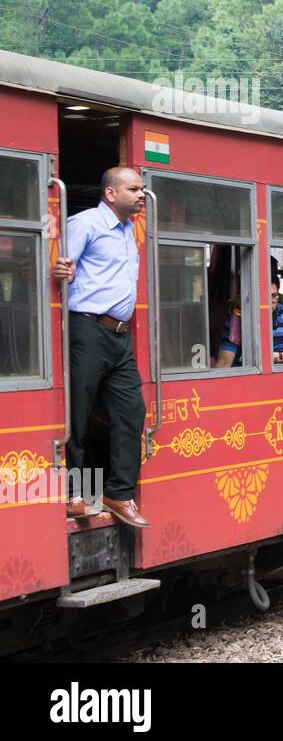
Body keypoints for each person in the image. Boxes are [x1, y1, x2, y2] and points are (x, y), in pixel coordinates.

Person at [52, 167, 149, 528]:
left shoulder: (127, 231)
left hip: (120, 336)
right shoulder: (86, 223)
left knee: (132, 411)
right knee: (79, 410)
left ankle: (118, 493)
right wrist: (61, 270)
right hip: (88, 328)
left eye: (142, 189)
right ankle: (75, 493)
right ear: (111, 193)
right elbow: (62, 265)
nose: (141, 195)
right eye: (134, 189)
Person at [220, 268, 283, 366]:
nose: (268, 301)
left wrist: (274, 356)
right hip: (244, 370)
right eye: (262, 296)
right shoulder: (239, 314)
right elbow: (224, 361)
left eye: (273, 296)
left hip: (278, 371)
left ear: (278, 296)